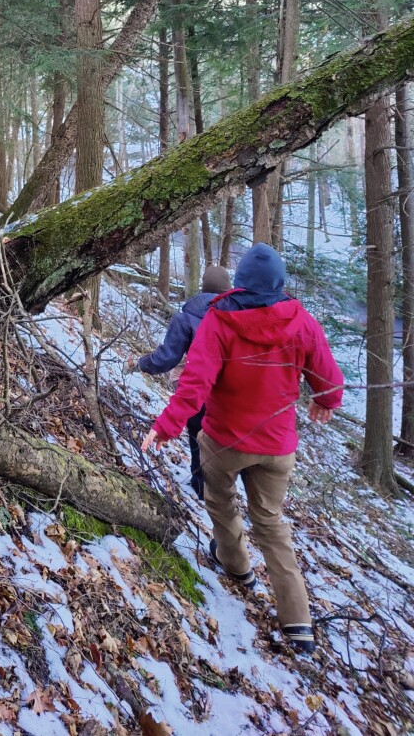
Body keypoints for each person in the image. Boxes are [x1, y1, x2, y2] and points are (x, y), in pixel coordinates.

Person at [141, 243, 344, 654]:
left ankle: (237, 567)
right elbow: (330, 381)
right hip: (277, 446)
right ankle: (298, 623)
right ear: (279, 283)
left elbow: (194, 384)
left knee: (220, 501)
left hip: (225, 440)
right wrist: (325, 401)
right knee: (271, 524)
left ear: (241, 281)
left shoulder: (220, 319)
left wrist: (165, 427)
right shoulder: (302, 321)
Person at [127, 263, 232, 498]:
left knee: (198, 438)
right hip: (232, 397)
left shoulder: (186, 317)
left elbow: (166, 358)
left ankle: (201, 485)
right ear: (227, 289)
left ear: (203, 287)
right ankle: (221, 493)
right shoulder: (239, 317)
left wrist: (141, 364)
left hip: (196, 392)